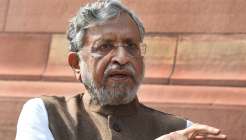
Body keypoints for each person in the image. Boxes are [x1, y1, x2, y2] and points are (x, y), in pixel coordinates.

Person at [16, 0, 227, 140]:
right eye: (105, 46)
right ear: (75, 64)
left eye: (131, 46)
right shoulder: (45, 114)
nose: (122, 58)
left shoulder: (182, 129)